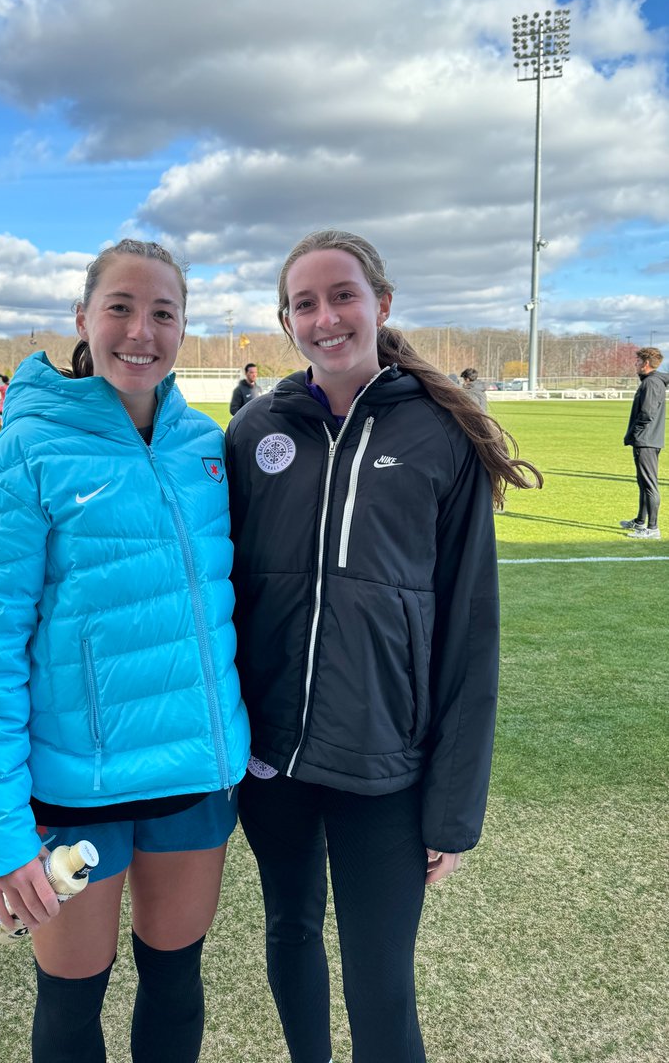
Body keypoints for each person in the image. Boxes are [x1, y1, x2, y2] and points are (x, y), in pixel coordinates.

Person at [225, 229, 542, 1063]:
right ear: (286, 320)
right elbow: (221, 602)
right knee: (290, 935)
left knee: (380, 980)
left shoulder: (440, 436)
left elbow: (472, 633)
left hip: (385, 768)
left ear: (382, 304)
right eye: (304, 303)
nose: (325, 317)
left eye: (342, 296)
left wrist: (453, 810)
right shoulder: (255, 432)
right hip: (272, 767)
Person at [0, 239, 250, 1063]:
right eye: (119, 307)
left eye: (162, 312)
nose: (139, 331)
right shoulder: (17, 459)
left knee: (176, 981)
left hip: (194, 775)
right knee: (73, 1004)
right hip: (76, 792)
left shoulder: (209, 449)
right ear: (82, 318)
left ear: (184, 327)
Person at [620, 346, 666, 540]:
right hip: (646, 439)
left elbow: (647, 413)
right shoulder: (651, 381)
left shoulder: (651, 384)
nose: (635, 364)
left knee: (649, 484)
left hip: (646, 440)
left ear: (646, 364)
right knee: (643, 483)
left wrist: (636, 433)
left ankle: (652, 528)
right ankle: (640, 522)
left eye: (638, 361)